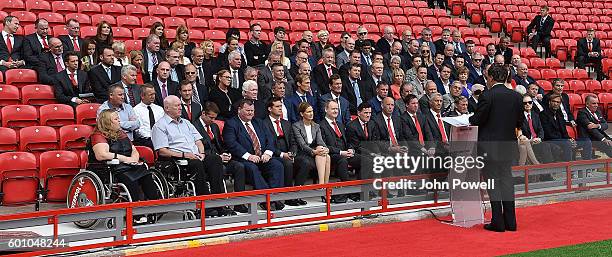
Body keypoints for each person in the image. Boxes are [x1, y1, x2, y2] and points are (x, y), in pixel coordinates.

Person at [152, 95, 228, 217]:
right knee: (196, 164)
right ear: (167, 108)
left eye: (180, 105)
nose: (180, 108)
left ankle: (219, 203)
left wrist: (202, 153)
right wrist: (184, 154)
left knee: (215, 159)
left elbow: (198, 141)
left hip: (196, 155)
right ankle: (205, 206)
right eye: (177, 106)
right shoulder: (160, 126)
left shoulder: (186, 123)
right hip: (178, 159)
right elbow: (162, 151)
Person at [469, 63, 523, 232]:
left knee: (493, 182)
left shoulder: (488, 95)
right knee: (507, 181)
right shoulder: (516, 96)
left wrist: (471, 119)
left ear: (490, 77)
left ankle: (498, 222)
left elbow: (477, 120)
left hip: (490, 146)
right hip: (508, 144)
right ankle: (511, 222)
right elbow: (519, 122)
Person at [90, 109, 161, 223]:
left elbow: (134, 150)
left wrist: (134, 158)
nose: (119, 121)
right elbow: (102, 155)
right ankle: (136, 214)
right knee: (131, 180)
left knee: (147, 175)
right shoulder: (98, 135)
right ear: (108, 122)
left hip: (129, 164)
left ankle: (155, 207)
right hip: (113, 168)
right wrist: (126, 159)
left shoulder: (121, 133)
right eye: (116, 119)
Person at [223, 99, 285, 210]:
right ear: (239, 110)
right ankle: (266, 200)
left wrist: (267, 153)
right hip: (243, 159)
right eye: (247, 110)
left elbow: (270, 139)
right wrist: (249, 156)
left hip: (262, 157)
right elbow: (231, 143)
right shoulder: (231, 123)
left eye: (252, 110)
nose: (250, 113)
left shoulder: (258, 122)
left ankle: (274, 198)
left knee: (277, 165)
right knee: (252, 168)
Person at [193, 101, 248, 213]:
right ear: (203, 113)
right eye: (211, 117)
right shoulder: (194, 126)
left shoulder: (214, 126)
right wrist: (218, 156)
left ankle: (239, 203)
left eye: (215, 118)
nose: (213, 120)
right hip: (207, 160)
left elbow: (219, 145)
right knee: (219, 167)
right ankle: (221, 204)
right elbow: (197, 149)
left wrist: (226, 153)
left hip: (219, 156)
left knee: (239, 167)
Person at [319, 100, 360, 203]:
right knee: (343, 161)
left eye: (337, 109)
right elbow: (324, 146)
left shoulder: (340, 124)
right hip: (332, 155)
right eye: (333, 109)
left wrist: (351, 149)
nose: (335, 111)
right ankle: (350, 191)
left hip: (346, 153)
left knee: (365, 160)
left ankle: (360, 190)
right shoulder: (321, 125)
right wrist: (341, 152)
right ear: (326, 109)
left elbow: (348, 141)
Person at [292, 102, 331, 187]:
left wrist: (326, 148)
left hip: (314, 151)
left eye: (312, 111)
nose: (311, 114)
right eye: (308, 112)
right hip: (302, 152)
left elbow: (320, 141)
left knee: (326, 155)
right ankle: (322, 186)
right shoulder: (296, 126)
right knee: (322, 155)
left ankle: (324, 185)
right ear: (302, 114)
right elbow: (302, 144)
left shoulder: (316, 126)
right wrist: (314, 151)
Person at [133, 84, 164, 149]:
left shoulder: (159, 109)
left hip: (162, 138)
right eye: (150, 95)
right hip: (146, 140)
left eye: (154, 94)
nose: (153, 97)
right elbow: (139, 130)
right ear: (142, 96)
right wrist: (153, 137)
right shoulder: (136, 110)